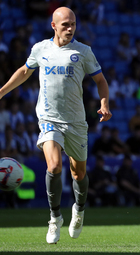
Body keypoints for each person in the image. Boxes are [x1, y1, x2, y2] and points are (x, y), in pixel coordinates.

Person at [0, 7, 112, 244]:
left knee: (78, 172)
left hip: (76, 123)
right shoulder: (41, 49)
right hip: (49, 119)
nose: (70, 29)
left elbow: (100, 80)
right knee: (54, 167)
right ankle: (54, 218)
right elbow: (23, 72)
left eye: (73, 24)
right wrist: (1, 92)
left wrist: (104, 103)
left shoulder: (83, 52)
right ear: (54, 26)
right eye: (65, 25)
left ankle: (79, 210)